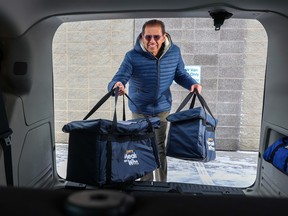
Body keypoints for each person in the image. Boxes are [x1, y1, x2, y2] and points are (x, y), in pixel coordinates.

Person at [107, 19, 202, 182]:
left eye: (156, 37)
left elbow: (180, 74)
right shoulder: (132, 56)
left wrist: (192, 84)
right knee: (143, 146)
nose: (152, 41)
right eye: (148, 37)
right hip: (139, 109)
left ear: (164, 37)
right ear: (142, 36)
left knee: (159, 147)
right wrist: (116, 86)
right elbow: (120, 77)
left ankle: (162, 184)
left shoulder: (174, 52)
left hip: (162, 108)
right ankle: (146, 185)